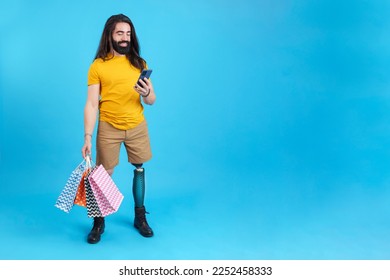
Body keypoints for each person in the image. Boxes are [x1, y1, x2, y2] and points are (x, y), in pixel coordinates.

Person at [81, 14, 156, 244]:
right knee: (103, 175)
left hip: (136, 125)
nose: (125, 38)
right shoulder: (98, 66)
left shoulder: (139, 63)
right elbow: (92, 103)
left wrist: (146, 93)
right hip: (109, 126)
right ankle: (98, 221)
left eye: (128, 33)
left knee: (139, 168)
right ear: (110, 35)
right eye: (119, 33)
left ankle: (139, 216)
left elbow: (151, 99)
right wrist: (87, 137)